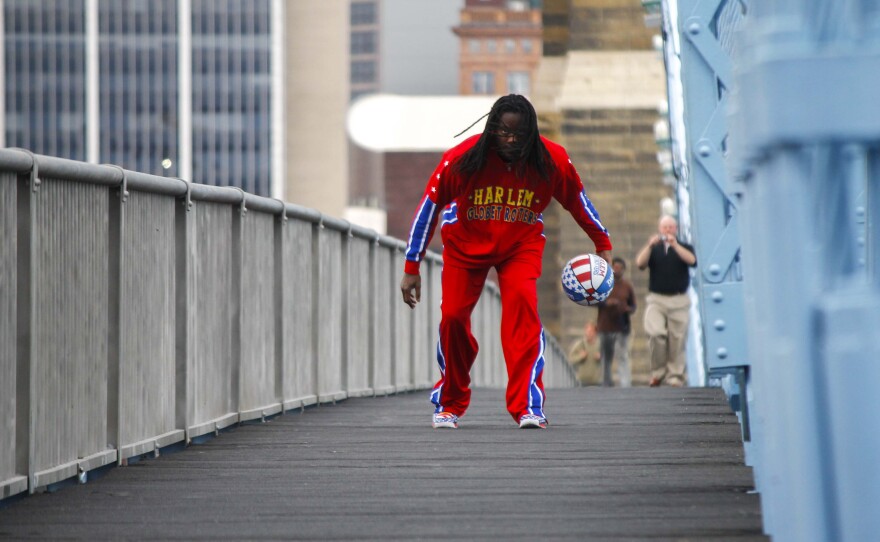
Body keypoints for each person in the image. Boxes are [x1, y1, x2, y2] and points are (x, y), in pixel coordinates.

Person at [399, 94, 612, 429]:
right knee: (452, 317)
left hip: (520, 245)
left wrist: (602, 241)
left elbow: (577, 200)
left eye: (519, 135)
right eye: (504, 133)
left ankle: (528, 406)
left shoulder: (551, 159)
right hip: (465, 244)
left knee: (523, 307)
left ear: (532, 133)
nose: (511, 141)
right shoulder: (462, 158)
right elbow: (430, 206)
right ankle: (451, 401)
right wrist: (412, 265)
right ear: (491, 130)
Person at [634, 215, 697, 387]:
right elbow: (640, 263)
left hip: (679, 300)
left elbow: (692, 261)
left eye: (671, 227)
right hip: (657, 299)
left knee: (677, 339)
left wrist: (675, 245)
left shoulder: (684, 247)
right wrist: (649, 245)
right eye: (665, 227)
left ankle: (675, 375)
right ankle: (658, 372)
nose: (668, 230)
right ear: (659, 229)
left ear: (676, 229)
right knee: (656, 333)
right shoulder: (654, 249)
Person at [596, 257, 636, 387]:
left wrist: (626, 308)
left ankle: (625, 384)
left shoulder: (627, 286)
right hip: (605, 326)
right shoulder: (603, 284)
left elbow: (633, 306)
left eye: (619, 268)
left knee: (622, 355)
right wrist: (607, 303)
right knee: (606, 357)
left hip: (621, 326)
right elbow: (594, 301)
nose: (616, 271)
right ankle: (606, 383)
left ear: (623, 270)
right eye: (615, 268)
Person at [567, 321, 602, 386]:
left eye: (590, 332)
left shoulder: (600, 345)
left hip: (597, 382)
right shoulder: (580, 344)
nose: (588, 334)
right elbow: (570, 359)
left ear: (595, 333)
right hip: (582, 381)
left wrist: (601, 357)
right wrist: (580, 356)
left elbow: (608, 360)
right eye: (587, 331)